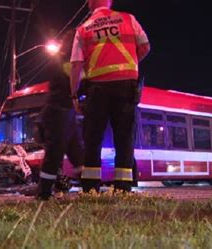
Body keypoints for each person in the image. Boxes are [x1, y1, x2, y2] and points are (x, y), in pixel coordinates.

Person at [70, 0, 150, 192]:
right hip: (126, 86)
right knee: (124, 138)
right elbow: (145, 47)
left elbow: (75, 65)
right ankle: (122, 188)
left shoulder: (83, 29)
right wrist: (129, 65)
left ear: (90, 3)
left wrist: (74, 95)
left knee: (93, 138)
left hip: (97, 89)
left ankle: (90, 189)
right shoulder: (128, 19)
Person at [37, 30, 85, 200]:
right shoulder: (66, 61)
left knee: (76, 152)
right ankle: (43, 194)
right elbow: (77, 76)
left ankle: (89, 190)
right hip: (59, 112)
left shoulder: (61, 59)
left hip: (64, 112)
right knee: (55, 153)